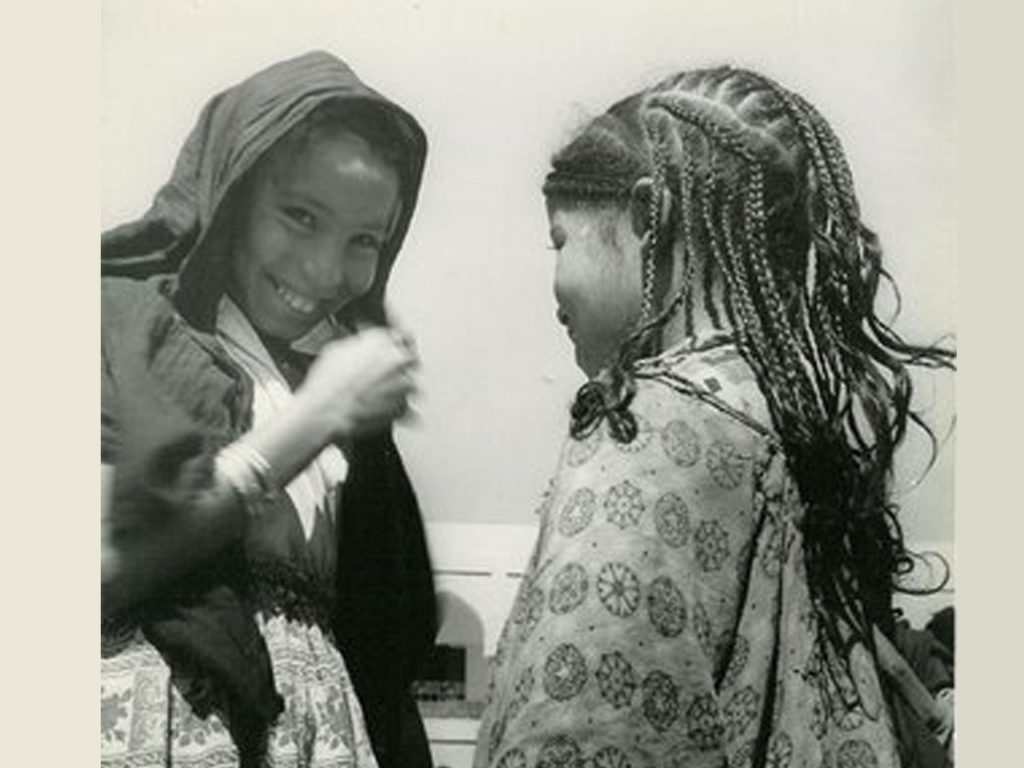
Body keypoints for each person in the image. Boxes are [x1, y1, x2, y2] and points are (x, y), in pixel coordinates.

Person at [474, 66, 954, 768]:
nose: (554, 285)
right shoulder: (793, 437)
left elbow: (578, 731)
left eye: (560, 240)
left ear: (646, 216)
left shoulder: (644, 432)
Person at [101, 51, 437, 768]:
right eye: (300, 215)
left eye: (364, 242)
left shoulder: (343, 391)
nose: (323, 270)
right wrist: (309, 422)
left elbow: (385, 652)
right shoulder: (121, 327)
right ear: (232, 196)